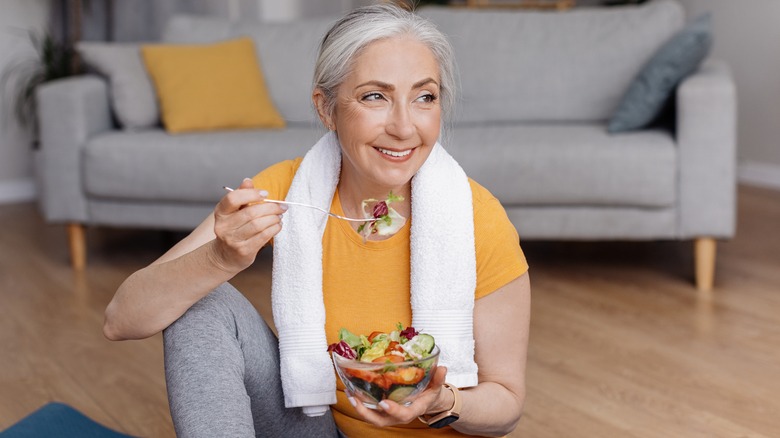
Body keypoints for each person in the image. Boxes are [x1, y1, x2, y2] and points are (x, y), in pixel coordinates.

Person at [103, 4, 530, 437]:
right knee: (200, 300)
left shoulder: (476, 217)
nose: (404, 127)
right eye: (375, 96)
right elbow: (120, 319)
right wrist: (218, 259)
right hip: (315, 428)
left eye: (424, 97)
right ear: (327, 109)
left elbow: (507, 406)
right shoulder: (288, 191)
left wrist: (443, 399)